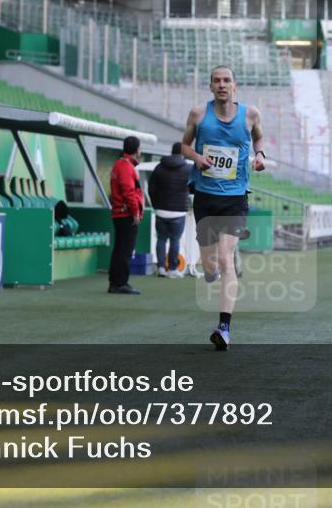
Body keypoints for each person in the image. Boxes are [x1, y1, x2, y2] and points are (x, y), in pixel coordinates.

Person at [181, 65, 266, 351]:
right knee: (209, 266)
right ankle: (208, 270)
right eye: (217, 81)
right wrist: (197, 158)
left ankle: (224, 327)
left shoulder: (250, 114)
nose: (222, 85)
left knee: (225, 259)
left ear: (235, 85)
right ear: (210, 86)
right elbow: (183, 146)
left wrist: (260, 155)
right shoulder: (198, 114)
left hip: (235, 197)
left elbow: (259, 138)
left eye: (226, 80)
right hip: (205, 195)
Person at [148, 142, 192, 279]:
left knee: (161, 239)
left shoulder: (159, 168)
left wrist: (156, 204)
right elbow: (194, 187)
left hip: (161, 210)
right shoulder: (188, 168)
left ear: (171, 151)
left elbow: (151, 188)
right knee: (175, 240)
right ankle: (172, 268)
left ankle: (161, 268)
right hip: (178, 211)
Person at [108, 136, 144, 295]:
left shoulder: (120, 165)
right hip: (126, 214)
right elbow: (129, 192)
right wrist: (135, 212)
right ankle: (120, 283)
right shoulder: (126, 167)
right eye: (140, 148)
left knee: (120, 249)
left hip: (120, 213)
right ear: (137, 150)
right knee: (125, 250)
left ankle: (115, 283)